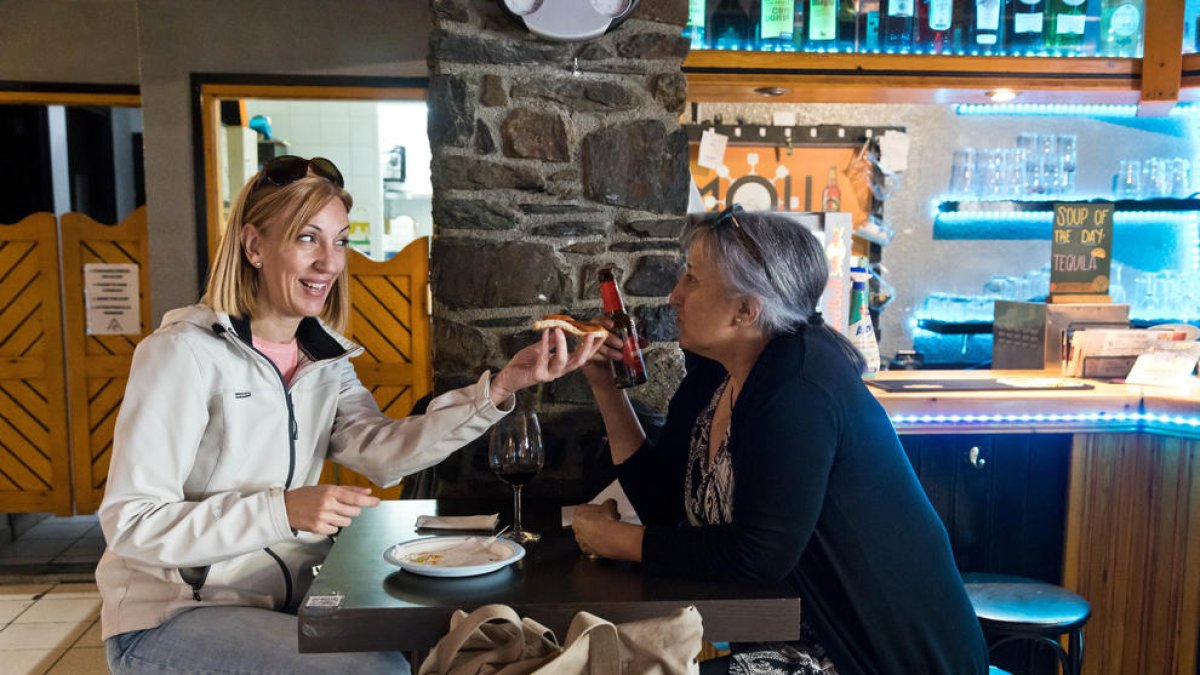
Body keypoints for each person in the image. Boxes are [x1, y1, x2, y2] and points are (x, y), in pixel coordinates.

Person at [98, 155, 603, 674]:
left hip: (283, 598)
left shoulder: (324, 357)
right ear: (253, 246)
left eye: (339, 240)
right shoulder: (183, 354)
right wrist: (284, 511)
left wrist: (499, 388)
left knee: (432, 639)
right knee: (377, 672)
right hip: (170, 617)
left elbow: (384, 454)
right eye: (306, 238)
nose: (330, 263)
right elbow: (132, 525)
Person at [572, 206, 989, 675]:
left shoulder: (798, 386)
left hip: (874, 655)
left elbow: (757, 555)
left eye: (692, 279)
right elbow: (662, 505)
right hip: (802, 639)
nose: (674, 295)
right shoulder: (718, 372)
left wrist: (617, 540)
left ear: (746, 310)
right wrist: (605, 387)